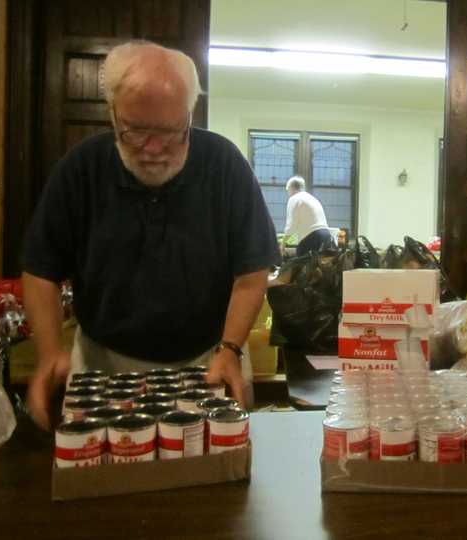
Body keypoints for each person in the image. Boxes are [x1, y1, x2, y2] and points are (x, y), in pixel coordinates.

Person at [23, 41, 279, 430]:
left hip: (209, 360)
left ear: (189, 116)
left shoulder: (225, 165)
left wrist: (229, 348)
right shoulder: (81, 168)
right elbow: (41, 270)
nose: (154, 149)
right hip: (102, 364)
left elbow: (252, 272)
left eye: (171, 131)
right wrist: (48, 352)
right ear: (113, 115)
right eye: (137, 130)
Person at [283, 176, 335, 256]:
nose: (288, 193)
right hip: (326, 236)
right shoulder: (312, 198)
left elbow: (291, 227)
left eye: (288, 190)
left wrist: (283, 245)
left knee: (299, 266)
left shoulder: (294, 199)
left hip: (312, 238)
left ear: (291, 188)